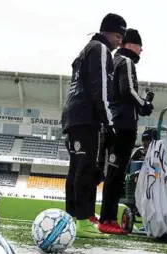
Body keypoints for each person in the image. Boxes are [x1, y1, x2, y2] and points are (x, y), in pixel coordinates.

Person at [61, 13, 127, 239]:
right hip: (86, 116)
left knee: (76, 169)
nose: (119, 41)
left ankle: (71, 218)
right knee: (86, 168)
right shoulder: (100, 49)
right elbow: (102, 88)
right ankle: (83, 220)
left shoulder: (84, 51)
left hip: (73, 115)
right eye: (118, 35)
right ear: (107, 32)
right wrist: (109, 122)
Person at [99, 29, 154, 234]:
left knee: (109, 172)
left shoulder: (111, 62)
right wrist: (144, 105)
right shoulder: (126, 61)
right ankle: (108, 219)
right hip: (123, 125)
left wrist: (141, 104)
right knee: (117, 173)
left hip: (111, 121)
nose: (141, 50)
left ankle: (98, 215)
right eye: (140, 46)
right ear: (131, 45)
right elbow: (127, 90)